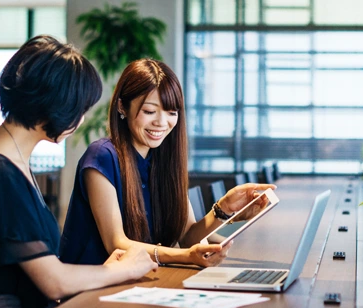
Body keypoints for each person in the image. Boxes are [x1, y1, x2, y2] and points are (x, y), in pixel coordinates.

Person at [0, 35, 157, 308]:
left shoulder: (9, 160)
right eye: (80, 110)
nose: (80, 121)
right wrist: (124, 269)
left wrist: (108, 269)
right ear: (56, 105)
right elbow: (54, 282)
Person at [59, 58, 276, 268]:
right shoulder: (102, 156)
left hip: (137, 283)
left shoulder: (164, 160)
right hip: (89, 291)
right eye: (150, 111)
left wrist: (223, 210)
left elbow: (188, 237)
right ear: (122, 107)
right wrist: (185, 257)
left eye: (171, 112)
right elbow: (117, 244)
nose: (162, 123)